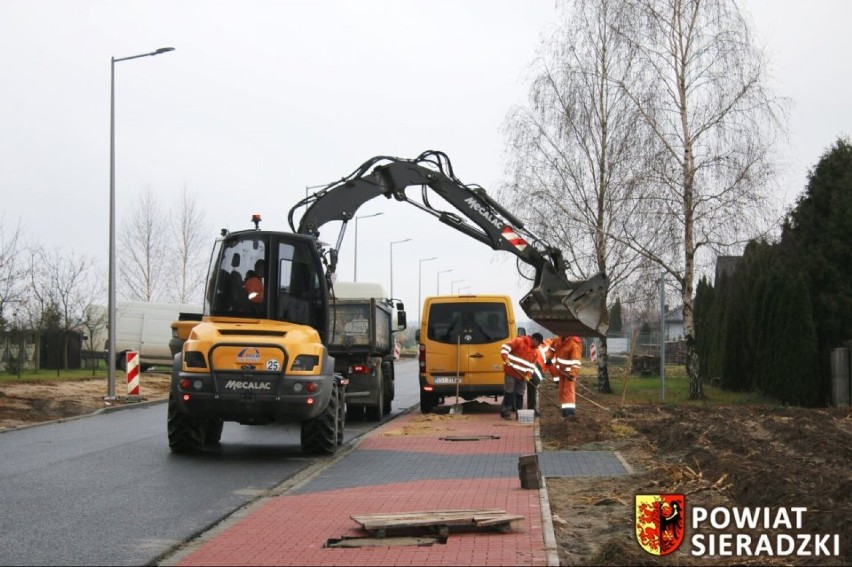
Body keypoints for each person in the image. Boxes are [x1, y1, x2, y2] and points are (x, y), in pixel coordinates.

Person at [499, 332, 544, 419]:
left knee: (520, 394)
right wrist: (505, 358)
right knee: (509, 391)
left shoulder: (534, 353)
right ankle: (506, 412)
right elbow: (504, 347)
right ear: (534, 339)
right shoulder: (519, 341)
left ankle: (519, 413)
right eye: (538, 342)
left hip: (522, 376)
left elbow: (531, 366)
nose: (539, 345)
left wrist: (528, 375)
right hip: (511, 372)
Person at [543, 335, 583, 418]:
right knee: (562, 391)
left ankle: (570, 412)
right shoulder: (558, 339)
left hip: (569, 372)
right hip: (561, 370)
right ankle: (564, 410)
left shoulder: (574, 343)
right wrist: (549, 358)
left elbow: (576, 361)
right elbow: (551, 349)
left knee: (568, 391)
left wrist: (572, 374)